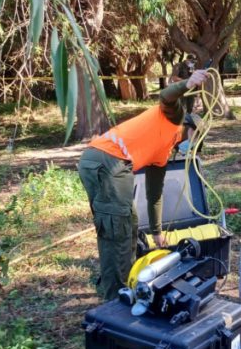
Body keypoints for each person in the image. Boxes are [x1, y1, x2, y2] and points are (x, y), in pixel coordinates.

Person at [78, 69, 208, 300]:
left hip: (104, 162)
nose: (193, 145)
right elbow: (167, 96)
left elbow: (154, 194)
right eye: (196, 139)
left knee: (127, 225)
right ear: (191, 129)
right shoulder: (174, 119)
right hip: (108, 160)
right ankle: (114, 300)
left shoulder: (163, 153)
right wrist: (188, 83)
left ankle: (123, 285)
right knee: (118, 232)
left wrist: (157, 233)